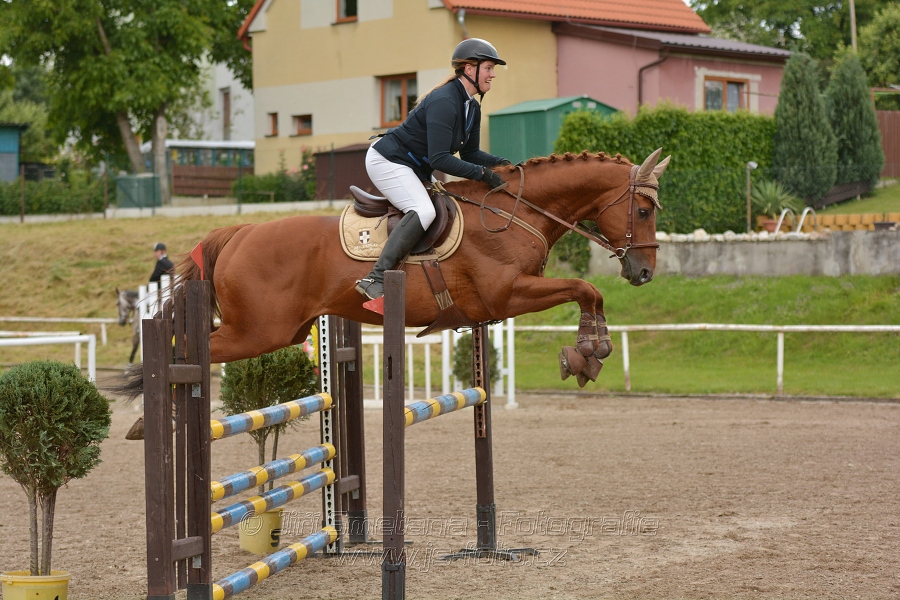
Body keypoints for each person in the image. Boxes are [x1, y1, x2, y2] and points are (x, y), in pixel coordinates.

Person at [355, 38, 511, 301]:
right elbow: (440, 159)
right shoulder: (445, 101)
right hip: (388, 160)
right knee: (424, 210)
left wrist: (505, 166)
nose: (493, 74)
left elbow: (471, 154)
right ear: (469, 69)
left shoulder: (471, 106)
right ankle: (375, 278)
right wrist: (482, 175)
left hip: (413, 165)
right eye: (489, 68)